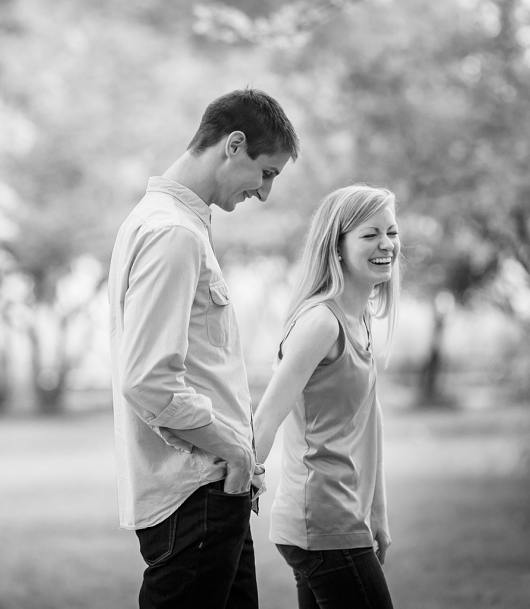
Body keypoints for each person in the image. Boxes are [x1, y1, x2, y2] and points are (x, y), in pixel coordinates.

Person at [108, 88, 300, 609]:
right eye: (267, 173)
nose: (264, 193)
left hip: (216, 492)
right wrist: (236, 450)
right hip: (197, 496)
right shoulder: (173, 234)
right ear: (233, 145)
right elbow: (147, 380)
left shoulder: (171, 224)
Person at [253, 184, 401, 608]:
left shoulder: (360, 319)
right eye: (370, 234)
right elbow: (266, 418)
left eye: (391, 232)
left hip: (341, 517)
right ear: (336, 247)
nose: (386, 244)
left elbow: (369, 425)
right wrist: (233, 499)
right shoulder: (321, 322)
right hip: (321, 520)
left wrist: (378, 511)